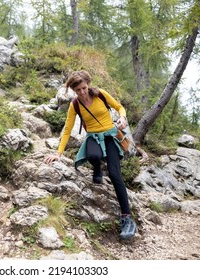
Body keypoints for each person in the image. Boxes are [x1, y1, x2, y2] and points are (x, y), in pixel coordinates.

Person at [45, 70, 136, 240]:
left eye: (84, 88)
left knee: (115, 174)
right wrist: (58, 153)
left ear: (88, 84)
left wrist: (123, 117)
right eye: (77, 90)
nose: (81, 92)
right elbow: (67, 128)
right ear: (73, 90)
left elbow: (119, 107)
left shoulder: (101, 94)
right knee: (93, 156)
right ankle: (96, 169)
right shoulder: (75, 105)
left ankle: (127, 218)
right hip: (93, 136)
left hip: (110, 135)